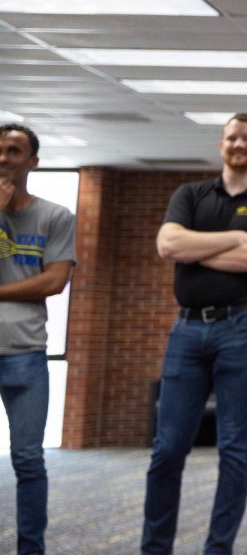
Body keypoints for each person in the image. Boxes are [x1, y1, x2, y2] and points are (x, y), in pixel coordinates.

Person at [143, 113, 247, 555]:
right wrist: (234, 239)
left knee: (234, 447)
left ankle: (218, 549)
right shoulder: (189, 194)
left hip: (243, 327)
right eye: (231, 137)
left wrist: (196, 250)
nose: (239, 144)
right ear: (221, 144)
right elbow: (168, 246)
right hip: (187, 329)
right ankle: (155, 548)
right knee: (168, 448)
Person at [0, 124, 75, 555]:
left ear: (33, 162)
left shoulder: (55, 216)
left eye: (15, 151)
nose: (5, 158)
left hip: (25, 354)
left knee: (28, 460)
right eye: (0, 151)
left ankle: (32, 549)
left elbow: (54, 281)